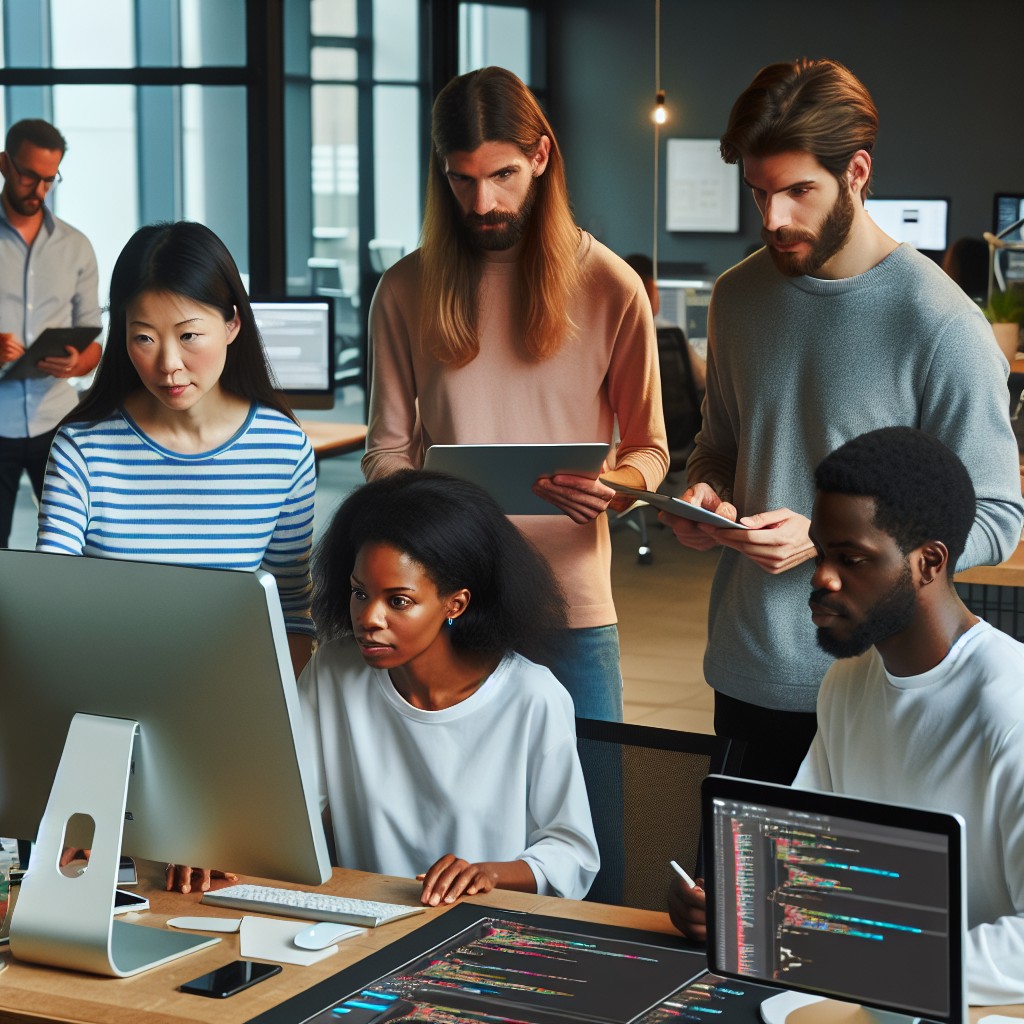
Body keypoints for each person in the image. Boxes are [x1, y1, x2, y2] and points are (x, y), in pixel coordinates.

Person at [664, 58, 1024, 783]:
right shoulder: (737, 297)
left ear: (857, 172)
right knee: (739, 897)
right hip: (748, 670)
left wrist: (830, 542)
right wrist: (706, 497)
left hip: (880, 681)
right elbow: (721, 446)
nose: (774, 219)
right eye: (759, 193)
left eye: (799, 192)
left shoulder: (940, 323)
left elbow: (998, 515)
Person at [669, 427, 1024, 1003]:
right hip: (870, 997)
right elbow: (815, 865)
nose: (822, 578)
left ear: (928, 562)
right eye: (823, 551)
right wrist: (733, 906)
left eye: (851, 559)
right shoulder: (848, 681)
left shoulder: (1012, 707)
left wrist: (859, 952)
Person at [363, 66, 669, 722]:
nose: (481, 205)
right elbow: (385, 452)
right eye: (461, 179)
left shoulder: (612, 286)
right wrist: (422, 507)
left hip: (571, 605)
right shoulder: (403, 289)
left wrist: (614, 485)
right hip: (448, 599)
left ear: (540, 156)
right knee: (458, 819)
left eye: (502, 176)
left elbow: (650, 449)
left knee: (592, 815)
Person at [298, 469, 600, 905]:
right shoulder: (334, 671)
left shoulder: (531, 696)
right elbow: (289, 811)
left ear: (455, 603)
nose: (369, 619)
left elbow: (573, 853)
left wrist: (488, 874)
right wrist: (219, 851)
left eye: (398, 601)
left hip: (487, 931)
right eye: (360, 593)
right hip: (364, 929)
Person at [35, 221, 316, 678]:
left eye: (188, 336)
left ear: (232, 324)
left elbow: (290, 612)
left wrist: (286, 717)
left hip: (231, 691)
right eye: (144, 337)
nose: (168, 364)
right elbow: (49, 603)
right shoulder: (82, 450)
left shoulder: (283, 450)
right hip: (105, 684)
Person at [0, 119, 100, 548]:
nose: (38, 190)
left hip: (56, 421)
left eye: (49, 179)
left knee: (70, 547)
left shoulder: (76, 246)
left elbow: (95, 339)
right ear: (4, 164)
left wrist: (79, 362)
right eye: (28, 175)